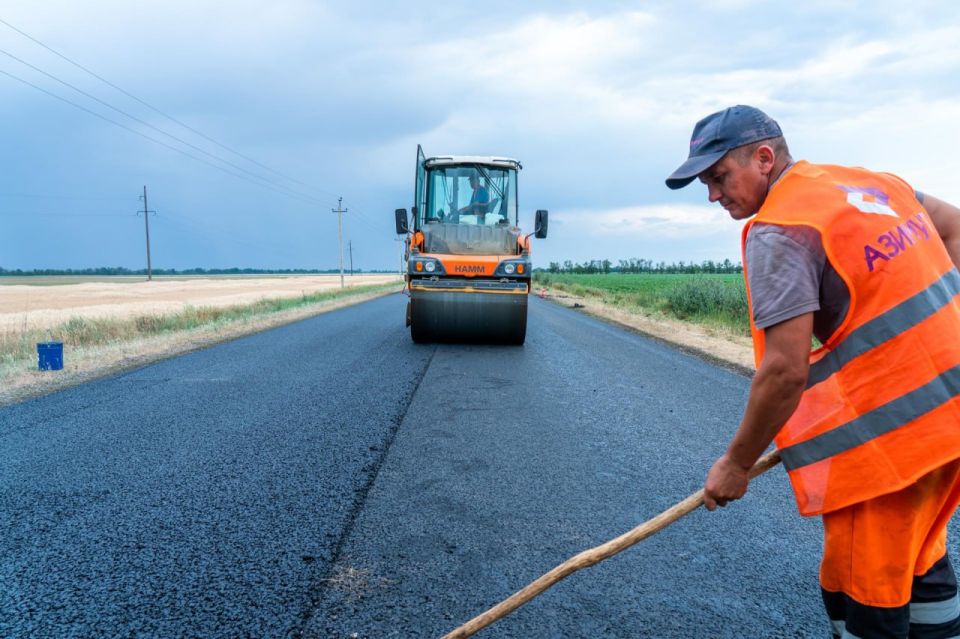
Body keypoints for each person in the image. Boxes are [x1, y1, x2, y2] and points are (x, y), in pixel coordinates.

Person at [666, 104, 960, 638]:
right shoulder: (874, 185)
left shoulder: (782, 229)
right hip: (949, 427)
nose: (712, 195)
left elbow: (783, 371)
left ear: (762, 158)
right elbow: (956, 230)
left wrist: (735, 464)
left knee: (865, 592)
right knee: (919, 560)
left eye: (718, 177)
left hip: (890, 448)